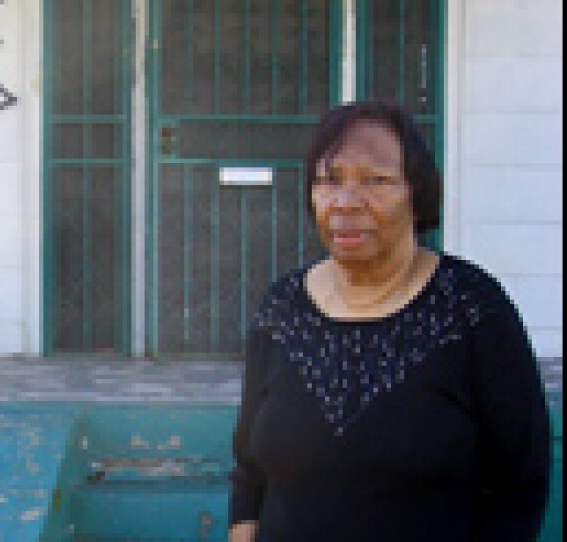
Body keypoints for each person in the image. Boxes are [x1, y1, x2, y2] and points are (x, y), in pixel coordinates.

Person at [229, 100, 552, 541]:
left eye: (376, 181)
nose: (345, 203)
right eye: (329, 181)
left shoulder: (472, 310)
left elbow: (520, 480)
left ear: (417, 195)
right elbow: (250, 470)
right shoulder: (281, 309)